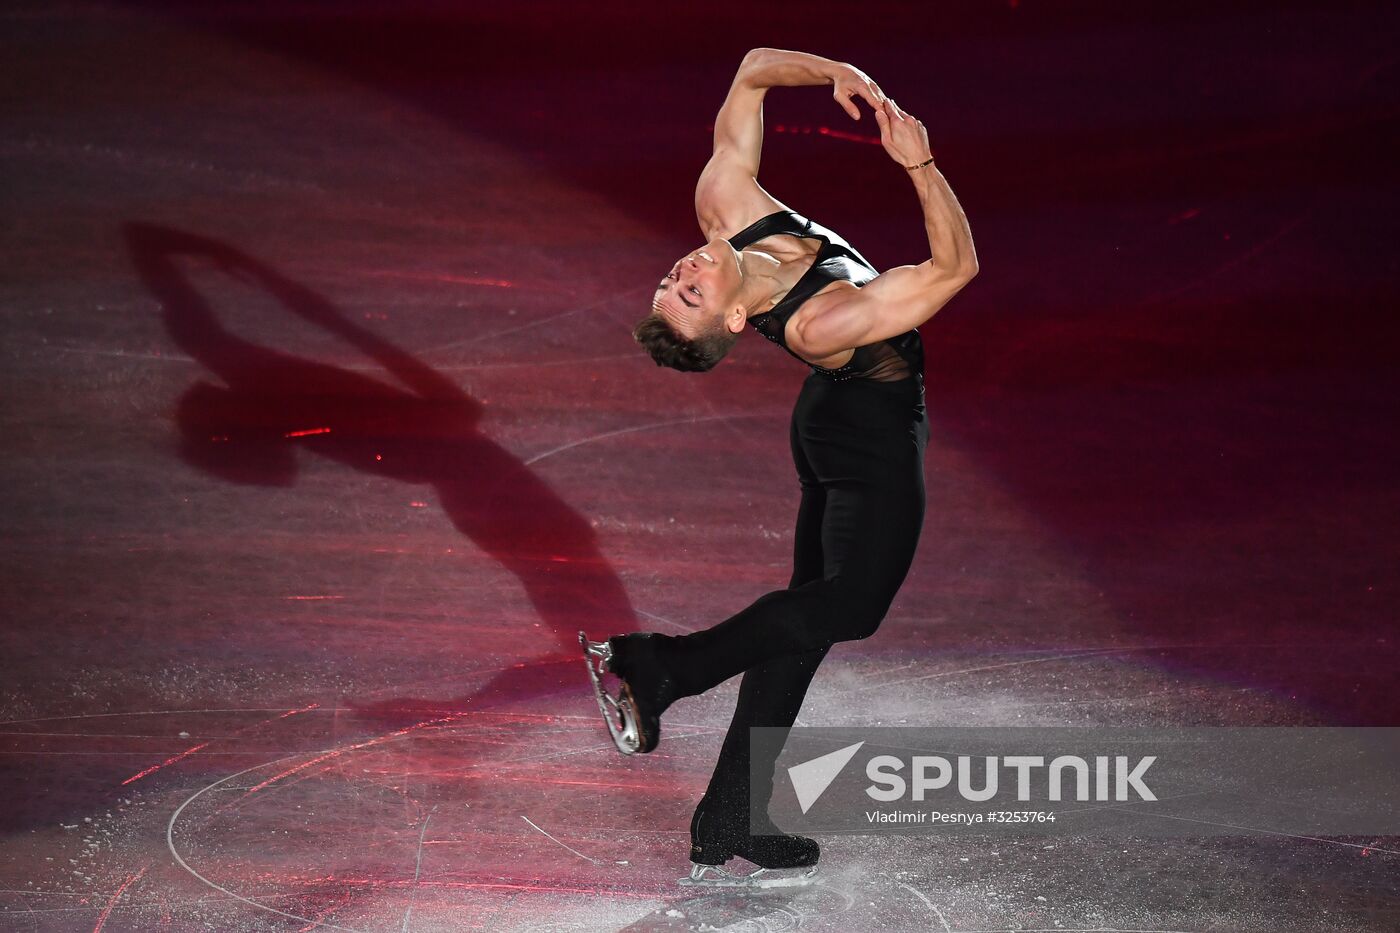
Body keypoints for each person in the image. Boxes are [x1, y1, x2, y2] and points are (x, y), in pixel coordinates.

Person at [581, 47, 978, 888]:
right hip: (866, 435)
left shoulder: (725, 203)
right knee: (849, 607)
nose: (681, 270)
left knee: (804, 624)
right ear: (731, 314)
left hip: (827, 422)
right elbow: (955, 269)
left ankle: (728, 816)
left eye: (669, 279)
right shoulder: (818, 323)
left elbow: (754, 68)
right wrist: (922, 165)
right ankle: (664, 666)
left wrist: (841, 73)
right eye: (685, 293)